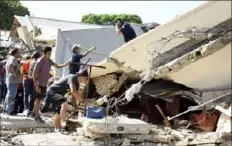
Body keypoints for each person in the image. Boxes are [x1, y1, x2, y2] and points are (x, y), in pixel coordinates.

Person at [32, 46, 70, 123]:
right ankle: (36, 116)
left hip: (44, 84)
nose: (49, 55)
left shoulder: (49, 61)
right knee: (38, 100)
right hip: (39, 83)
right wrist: (36, 85)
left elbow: (57, 66)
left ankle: (34, 113)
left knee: (39, 100)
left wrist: (66, 64)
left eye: (50, 54)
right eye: (48, 54)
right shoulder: (40, 61)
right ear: (44, 53)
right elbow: (34, 73)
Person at [4, 48, 21, 115]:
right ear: (15, 53)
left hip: (10, 80)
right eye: (19, 52)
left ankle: (6, 109)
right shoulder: (13, 58)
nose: (20, 54)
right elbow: (11, 66)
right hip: (12, 80)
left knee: (9, 95)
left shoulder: (11, 58)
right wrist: (15, 75)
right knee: (11, 95)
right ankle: (9, 110)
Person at [27, 51, 41, 116]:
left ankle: (30, 110)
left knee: (31, 95)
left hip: (30, 79)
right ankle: (32, 110)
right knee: (35, 95)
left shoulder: (32, 61)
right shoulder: (37, 62)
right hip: (34, 79)